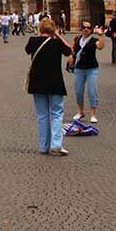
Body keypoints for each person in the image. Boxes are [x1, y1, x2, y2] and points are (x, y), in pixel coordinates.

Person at [25, 18, 73, 156]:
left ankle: (43, 146)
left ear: (40, 29)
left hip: (37, 83)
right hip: (54, 82)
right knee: (57, 113)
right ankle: (56, 145)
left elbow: (27, 50)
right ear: (53, 30)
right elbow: (69, 50)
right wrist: (57, 35)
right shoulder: (57, 43)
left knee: (42, 115)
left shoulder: (32, 41)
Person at [69, 21, 104, 124]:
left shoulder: (94, 40)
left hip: (91, 69)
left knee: (92, 91)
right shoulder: (78, 39)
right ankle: (81, 111)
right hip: (79, 68)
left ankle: (93, 114)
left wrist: (101, 35)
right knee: (78, 91)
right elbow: (73, 50)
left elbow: (100, 46)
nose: (86, 29)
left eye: (88, 28)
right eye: (84, 27)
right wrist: (71, 57)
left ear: (91, 30)